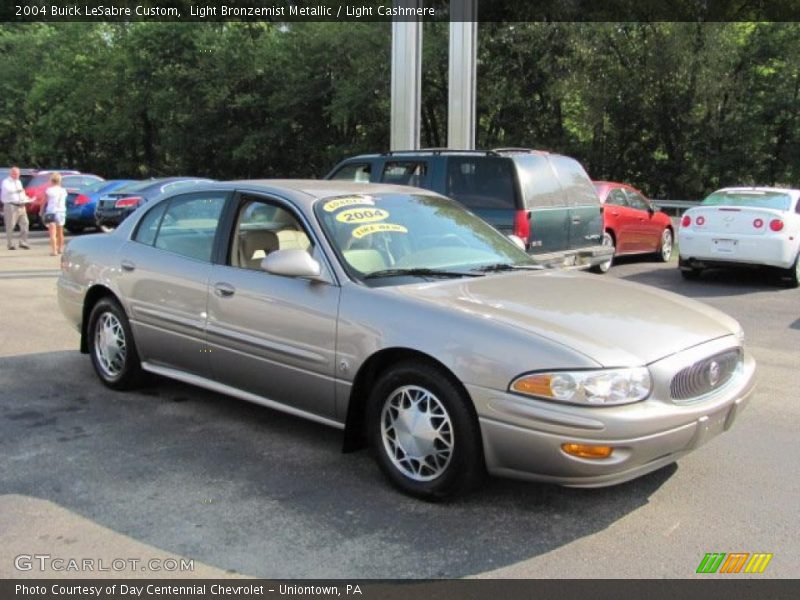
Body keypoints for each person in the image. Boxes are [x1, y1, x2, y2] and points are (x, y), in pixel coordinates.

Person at [1, 166, 31, 250]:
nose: (16, 175)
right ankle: (10, 244)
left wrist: (26, 199)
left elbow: (22, 192)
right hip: (11, 205)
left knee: (25, 223)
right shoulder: (6, 182)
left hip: (21, 205)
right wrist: (18, 191)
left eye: (18, 174)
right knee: (10, 225)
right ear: (11, 173)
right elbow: (8, 190)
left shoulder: (18, 182)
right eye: (14, 173)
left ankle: (23, 242)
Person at [40, 172, 68, 256]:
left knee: (52, 233)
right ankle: (60, 248)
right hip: (61, 212)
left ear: (51, 181)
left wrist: (41, 211)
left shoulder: (49, 190)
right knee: (60, 232)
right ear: (60, 181)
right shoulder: (63, 191)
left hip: (51, 212)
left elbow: (43, 202)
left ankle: (54, 250)